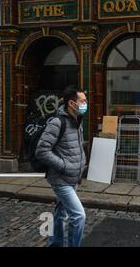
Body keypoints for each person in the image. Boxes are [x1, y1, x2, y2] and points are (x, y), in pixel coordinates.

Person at [35, 85, 88, 247]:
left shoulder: (77, 121)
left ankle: (56, 243)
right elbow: (42, 151)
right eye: (83, 101)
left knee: (60, 213)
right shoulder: (57, 122)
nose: (86, 103)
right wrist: (64, 166)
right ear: (72, 103)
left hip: (73, 177)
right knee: (79, 216)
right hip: (61, 179)